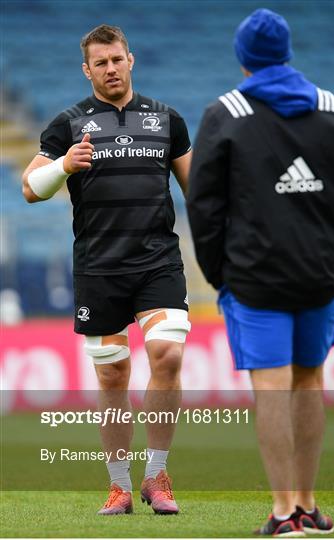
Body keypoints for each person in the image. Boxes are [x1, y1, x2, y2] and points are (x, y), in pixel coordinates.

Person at [187, 8, 334, 537]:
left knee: (270, 389)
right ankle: (311, 505)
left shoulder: (224, 113)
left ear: (243, 58)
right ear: (287, 51)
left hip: (254, 280)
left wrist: (219, 274)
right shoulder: (331, 107)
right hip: (319, 276)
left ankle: (282, 513)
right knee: (310, 381)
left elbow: (203, 207)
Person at [22, 24, 192, 516]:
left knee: (167, 355)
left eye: (116, 59)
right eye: (101, 63)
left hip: (158, 261)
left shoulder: (166, 120)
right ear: (87, 69)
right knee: (114, 374)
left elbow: (196, 188)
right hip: (98, 269)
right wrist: (64, 167)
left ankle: (157, 474)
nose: (111, 68)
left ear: (130, 59)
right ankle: (119, 486)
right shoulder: (68, 125)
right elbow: (30, 188)